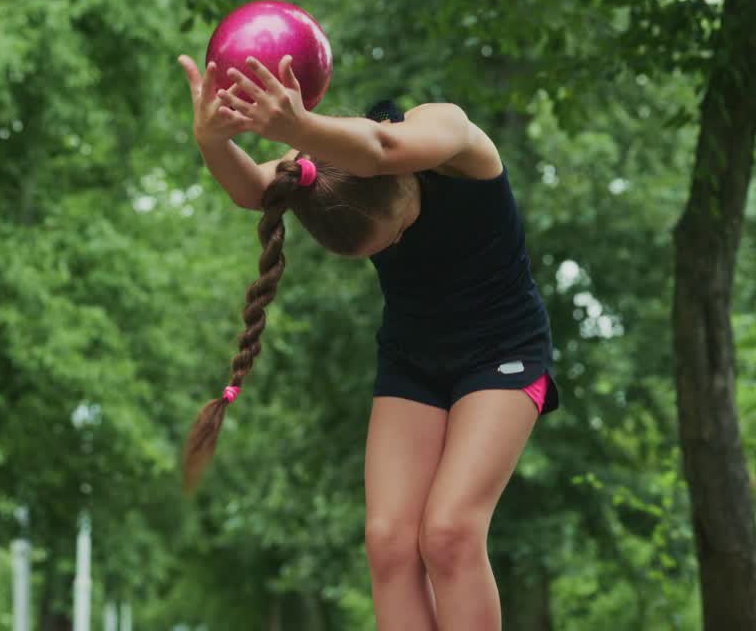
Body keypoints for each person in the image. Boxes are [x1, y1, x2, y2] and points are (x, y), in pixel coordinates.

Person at [177, 52, 560, 631]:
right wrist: (210, 140)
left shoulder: (450, 135)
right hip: (412, 358)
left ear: (399, 181)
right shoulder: (321, 166)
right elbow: (255, 186)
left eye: (399, 231)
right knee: (387, 542)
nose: (398, 247)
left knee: (450, 532)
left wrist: (296, 123)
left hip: (502, 350)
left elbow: (380, 149)